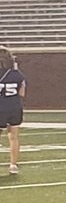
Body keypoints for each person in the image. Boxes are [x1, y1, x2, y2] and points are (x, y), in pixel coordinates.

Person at [0, 47, 26, 175]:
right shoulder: (18, 75)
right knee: (14, 137)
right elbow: (22, 93)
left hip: (0, 107)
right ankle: (13, 165)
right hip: (15, 107)